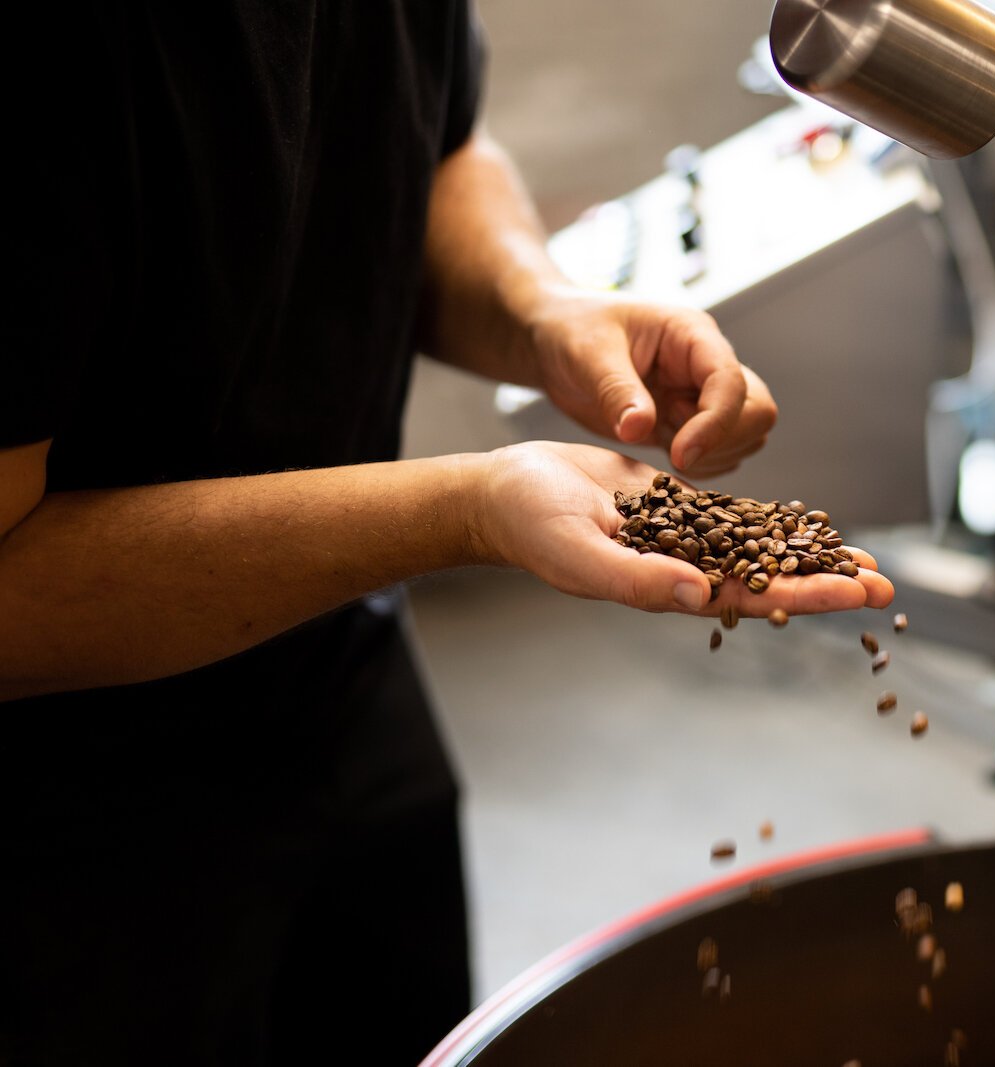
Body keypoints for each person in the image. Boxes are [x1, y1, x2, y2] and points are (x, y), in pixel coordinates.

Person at [0, 4, 893, 1064]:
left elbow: (429, 154)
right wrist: (464, 508)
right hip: (61, 818)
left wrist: (543, 311)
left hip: (338, 673)